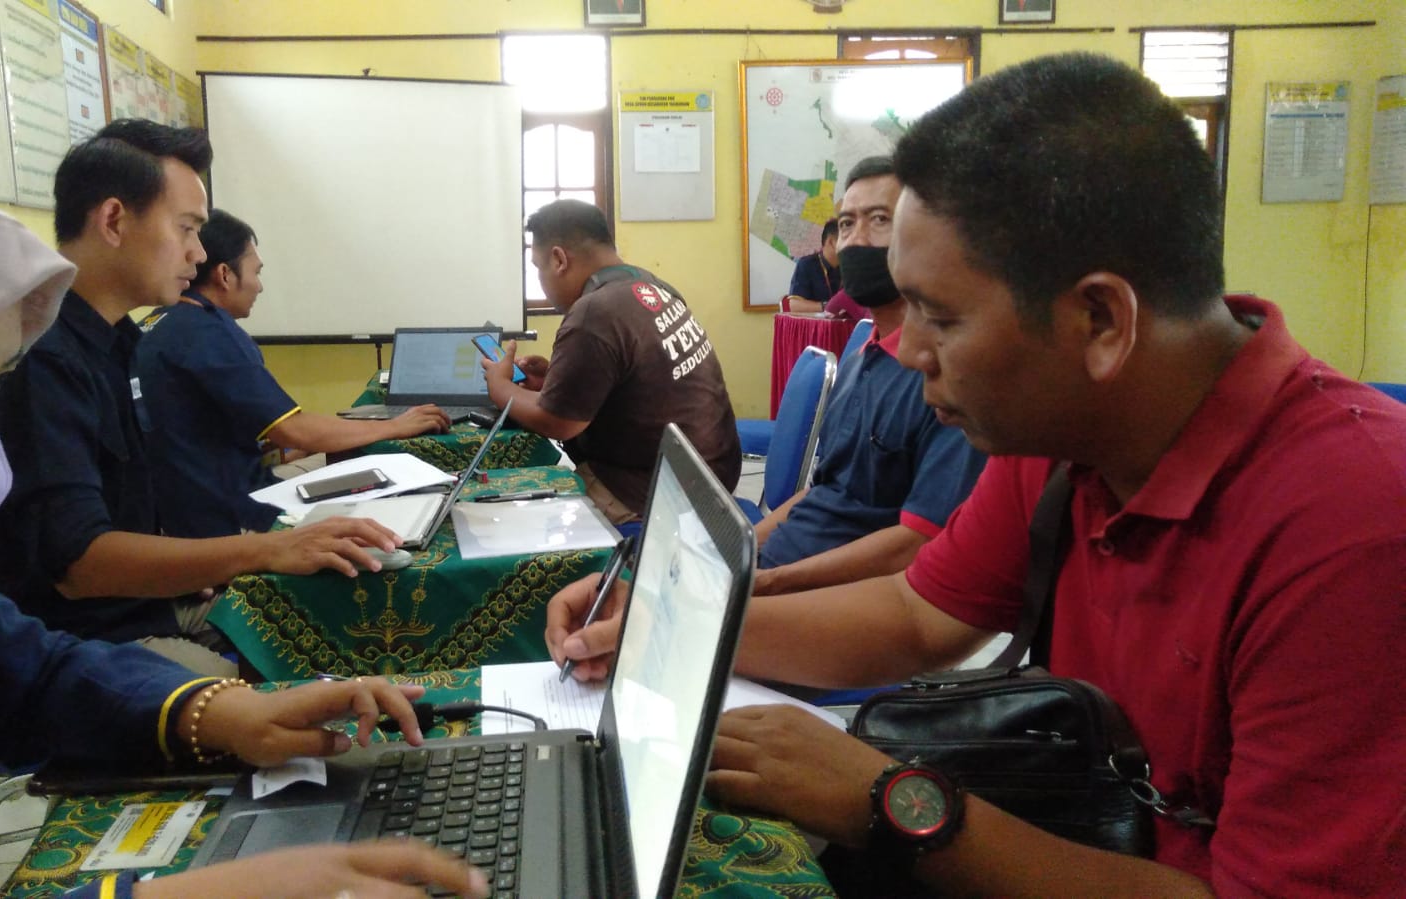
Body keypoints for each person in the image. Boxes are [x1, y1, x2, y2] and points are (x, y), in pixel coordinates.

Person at [545, 53, 1406, 895]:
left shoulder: (1354, 527)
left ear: (1100, 320)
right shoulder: (1067, 429)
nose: (907, 348)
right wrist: (664, 620)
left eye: (939, 316)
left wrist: (891, 801)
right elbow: (918, 613)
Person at [0, 118, 487, 899]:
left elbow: (31, 674)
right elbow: (76, 565)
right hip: (120, 614)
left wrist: (220, 714)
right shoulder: (71, 365)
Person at [0, 120, 401, 675]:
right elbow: (78, 564)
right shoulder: (43, 358)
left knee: (352, 606)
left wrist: (193, 568)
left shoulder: (118, 341)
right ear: (113, 221)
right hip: (80, 639)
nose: (198, 254)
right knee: (281, 686)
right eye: (186, 229)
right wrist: (262, 550)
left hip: (145, 601)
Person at [135, 209, 449, 539]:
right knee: (387, 491)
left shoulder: (156, 322)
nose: (259, 286)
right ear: (225, 275)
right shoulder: (210, 334)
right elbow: (293, 429)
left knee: (336, 457)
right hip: (232, 516)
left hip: (175, 510)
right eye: (256, 272)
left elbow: (228, 430)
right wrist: (395, 426)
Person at [753, 157, 984, 597]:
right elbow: (824, 489)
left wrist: (764, 586)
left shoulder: (949, 379)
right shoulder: (860, 357)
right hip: (776, 575)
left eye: (880, 220)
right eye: (846, 224)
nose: (856, 240)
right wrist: (738, 549)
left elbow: (919, 542)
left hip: (838, 599)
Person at [481, 199, 740, 523]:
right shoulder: (650, 285)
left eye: (538, 267)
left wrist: (500, 386)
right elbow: (638, 381)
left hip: (659, 494)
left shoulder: (593, 313)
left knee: (516, 517)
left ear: (559, 259)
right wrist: (555, 380)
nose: (541, 280)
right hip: (714, 474)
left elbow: (556, 422)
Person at [783, 219, 840, 312]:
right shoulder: (806, 264)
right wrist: (828, 307)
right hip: (815, 320)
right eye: (846, 240)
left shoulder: (851, 266)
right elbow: (795, 305)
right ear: (831, 242)